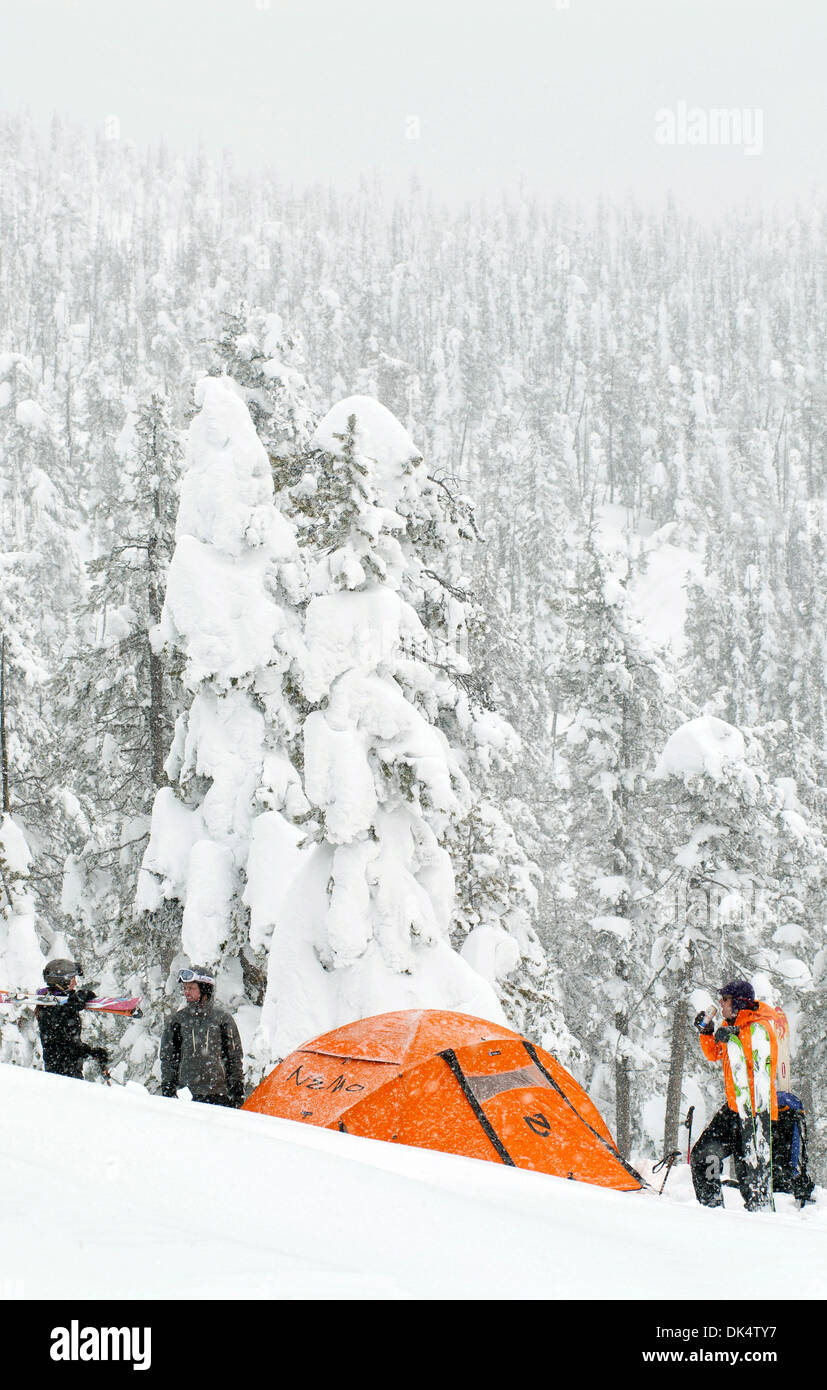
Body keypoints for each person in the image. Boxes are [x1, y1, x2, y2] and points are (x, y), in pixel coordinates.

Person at [690, 979, 783, 1211]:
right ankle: (711, 1209)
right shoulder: (731, 1024)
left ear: (738, 1002)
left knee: (750, 1181)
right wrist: (708, 1032)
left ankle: (759, 1225)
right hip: (733, 1109)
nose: (720, 1004)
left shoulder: (759, 1028)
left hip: (755, 1115)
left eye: (725, 999)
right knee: (703, 1155)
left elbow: (758, 1068)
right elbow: (714, 1054)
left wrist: (733, 1038)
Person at [160, 966, 245, 1108]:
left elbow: (234, 1058)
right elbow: (168, 1059)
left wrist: (237, 1093)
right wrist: (168, 1088)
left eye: (191, 988)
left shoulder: (223, 1020)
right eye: (185, 988)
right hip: (186, 1096)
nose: (186, 992)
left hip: (219, 1096)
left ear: (205, 988)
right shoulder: (177, 1021)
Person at [37, 958, 109, 1080]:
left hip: (69, 1071)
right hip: (61, 1075)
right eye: (72, 980)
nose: (75, 983)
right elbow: (63, 1046)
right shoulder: (49, 1009)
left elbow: (70, 1043)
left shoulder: (60, 1004)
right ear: (63, 982)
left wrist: (92, 1052)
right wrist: (89, 1052)